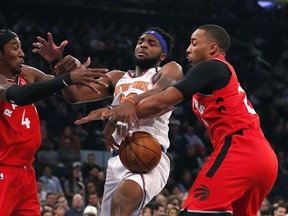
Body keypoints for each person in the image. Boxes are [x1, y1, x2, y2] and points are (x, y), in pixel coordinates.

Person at [102, 24, 278, 215]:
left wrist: (117, 113)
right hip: (264, 159)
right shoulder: (205, 81)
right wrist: (120, 112)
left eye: (194, 44)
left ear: (212, 48)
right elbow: (154, 106)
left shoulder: (211, 66)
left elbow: (160, 101)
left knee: (193, 211)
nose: (187, 49)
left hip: (240, 149)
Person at [69, 26, 183, 215]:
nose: (143, 45)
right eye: (140, 42)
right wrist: (62, 70)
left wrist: (123, 105)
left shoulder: (169, 69)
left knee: (122, 201)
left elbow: (161, 94)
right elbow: (74, 96)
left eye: (151, 43)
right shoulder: (116, 77)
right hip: (118, 159)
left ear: (163, 55)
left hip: (150, 153)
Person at [0, 29, 108, 216]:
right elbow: (20, 95)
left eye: (21, 48)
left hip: (26, 173)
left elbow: (71, 94)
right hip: (3, 170)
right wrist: (66, 79)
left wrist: (58, 63)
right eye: (15, 48)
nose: (22, 53)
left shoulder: (27, 73)